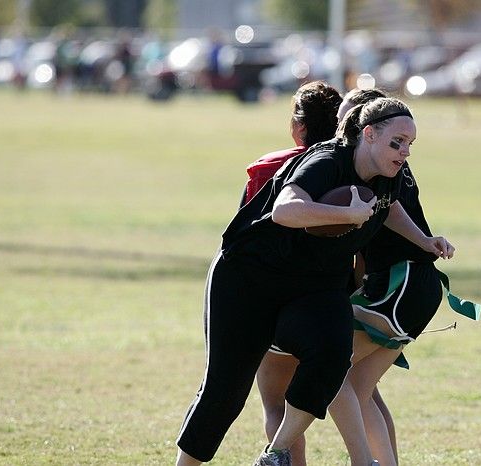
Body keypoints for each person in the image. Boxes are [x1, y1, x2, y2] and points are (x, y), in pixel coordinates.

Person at [175, 96, 453, 466]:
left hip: (311, 285)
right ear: (368, 134)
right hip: (248, 279)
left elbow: (388, 209)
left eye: (410, 144)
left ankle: (275, 455)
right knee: (225, 392)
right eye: (397, 142)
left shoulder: (389, 176)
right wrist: (344, 213)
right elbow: (285, 209)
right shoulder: (327, 160)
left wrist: (425, 241)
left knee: (333, 353)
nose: (404, 152)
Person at [254, 87, 391, 466]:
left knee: (277, 402)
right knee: (364, 394)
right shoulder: (360, 167)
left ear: (297, 127)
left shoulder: (274, 167)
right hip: (339, 299)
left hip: (281, 301)